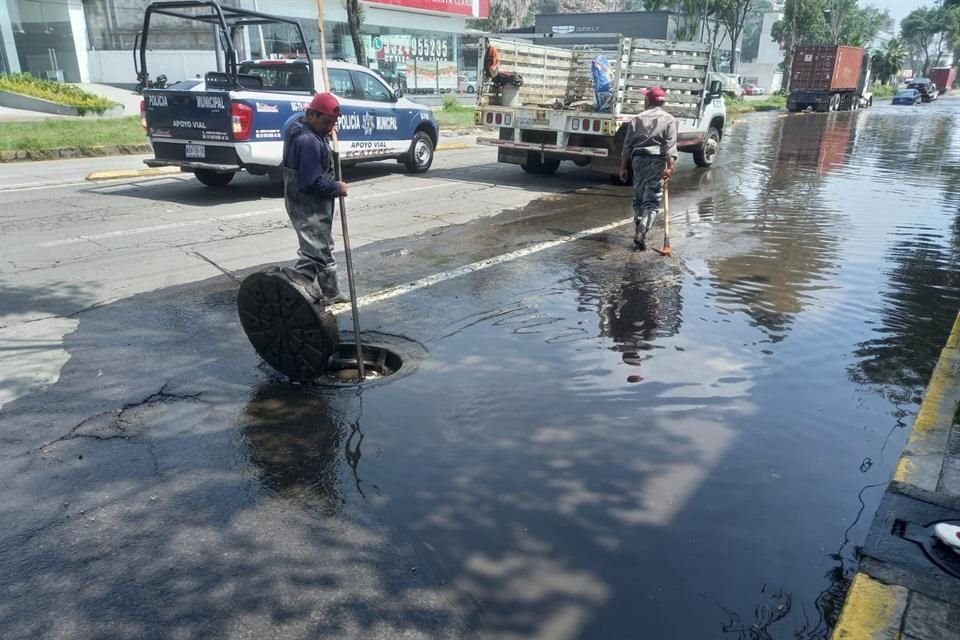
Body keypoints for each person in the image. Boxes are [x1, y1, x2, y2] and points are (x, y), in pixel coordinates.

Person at [281, 92, 349, 304]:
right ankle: (294, 294)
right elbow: (312, 183)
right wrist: (337, 187)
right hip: (309, 206)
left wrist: (327, 132)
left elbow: (320, 129)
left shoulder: (297, 126)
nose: (330, 127)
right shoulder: (308, 141)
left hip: (301, 202)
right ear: (311, 114)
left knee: (319, 247)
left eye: (333, 123)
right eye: (327, 122)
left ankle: (325, 293)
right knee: (317, 254)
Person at [619, 86, 678, 251]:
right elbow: (670, 147)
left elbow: (627, 146)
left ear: (647, 100)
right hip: (656, 161)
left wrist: (623, 167)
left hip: (638, 160)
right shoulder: (669, 120)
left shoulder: (636, 119)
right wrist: (670, 167)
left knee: (638, 198)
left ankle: (639, 226)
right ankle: (641, 232)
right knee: (651, 201)